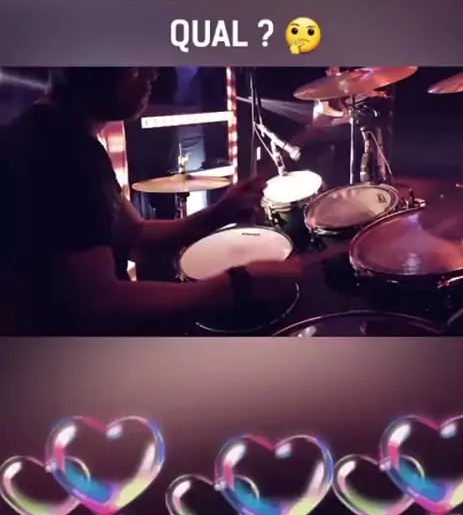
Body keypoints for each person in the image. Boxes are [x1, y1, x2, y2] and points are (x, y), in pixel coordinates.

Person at [0, 68, 301, 335]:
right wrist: (235, 284)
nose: (153, 73)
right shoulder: (56, 149)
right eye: (135, 64)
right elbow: (97, 302)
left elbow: (136, 232)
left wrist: (220, 212)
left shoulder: (60, 135)